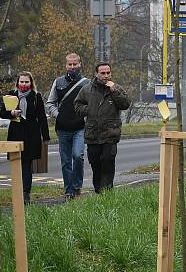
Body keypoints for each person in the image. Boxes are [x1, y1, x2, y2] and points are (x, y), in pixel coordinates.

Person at [74, 62, 131, 194]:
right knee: (95, 163)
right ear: (96, 74)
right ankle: (98, 189)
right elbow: (77, 105)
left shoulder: (117, 88)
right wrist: (88, 110)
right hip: (93, 133)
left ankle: (107, 191)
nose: (106, 76)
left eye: (108, 73)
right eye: (103, 73)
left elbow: (125, 104)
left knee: (108, 160)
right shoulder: (87, 89)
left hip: (110, 133)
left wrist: (114, 91)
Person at [0, 72, 50, 204]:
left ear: (31, 83)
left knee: (27, 164)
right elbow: (2, 113)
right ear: (17, 83)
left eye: (26, 82)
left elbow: (42, 117)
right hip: (15, 132)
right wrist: (12, 113)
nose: (24, 84)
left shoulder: (36, 96)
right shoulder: (12, 95)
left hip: (31, 134)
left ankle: (25, 193)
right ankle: (17, 191)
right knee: (16, 163)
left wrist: (45, 137)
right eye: (21, 82)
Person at [46, 53, 89, 199]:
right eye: (69, 64)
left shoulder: (86, 83)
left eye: (74, 64)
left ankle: (77, 187)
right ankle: (68, 190)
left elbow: (90, 104)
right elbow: (50, 103)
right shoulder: (58, 82)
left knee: (78, 156)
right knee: (65, 161)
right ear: (66, 65)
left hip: (79, 127)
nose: (72, 67)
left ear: (79, 64)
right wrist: (58, 115)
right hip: (63, 128)